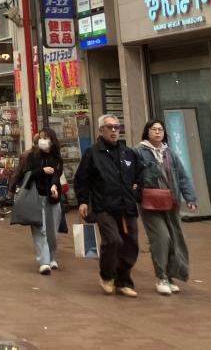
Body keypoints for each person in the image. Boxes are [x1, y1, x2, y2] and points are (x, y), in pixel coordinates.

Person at [74, 114, 142, 298]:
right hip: (104, 206)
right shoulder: (92, 153)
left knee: (131, 244)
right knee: (113, 240)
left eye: (117, 127)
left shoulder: (128, 153)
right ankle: (107, 275)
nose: (114, 131)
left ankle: (123, 281)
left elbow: (139, 176)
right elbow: (81, 179)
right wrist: (83, 201)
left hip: (127, 206)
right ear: (101, 130)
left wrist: (136, 192)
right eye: (109, 127)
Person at [136, 120, 198, 295]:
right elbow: (131, 176)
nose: (157, 132)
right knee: (162, 238)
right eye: (154, 129)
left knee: (174, 239)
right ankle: (161, 277)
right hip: (150, 204)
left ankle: (170, 276)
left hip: (171, 202)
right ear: (147, 132)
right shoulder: (138, 152)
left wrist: (190, 198)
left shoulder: (170, 153)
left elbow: (182, 176)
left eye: (160, 129)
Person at [13, 129, 65, 274]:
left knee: (52, 231)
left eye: (46, 138)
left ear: (52, 141)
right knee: (39, 230)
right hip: (36, 197)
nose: (43, 140)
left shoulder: (57, 158)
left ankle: (52, 257)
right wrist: (42, 171)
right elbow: (26, 174)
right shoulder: (32, 156)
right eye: (41, 137)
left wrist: (54, 186)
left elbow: (57, 174)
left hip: (52, 199)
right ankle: (44, 262)